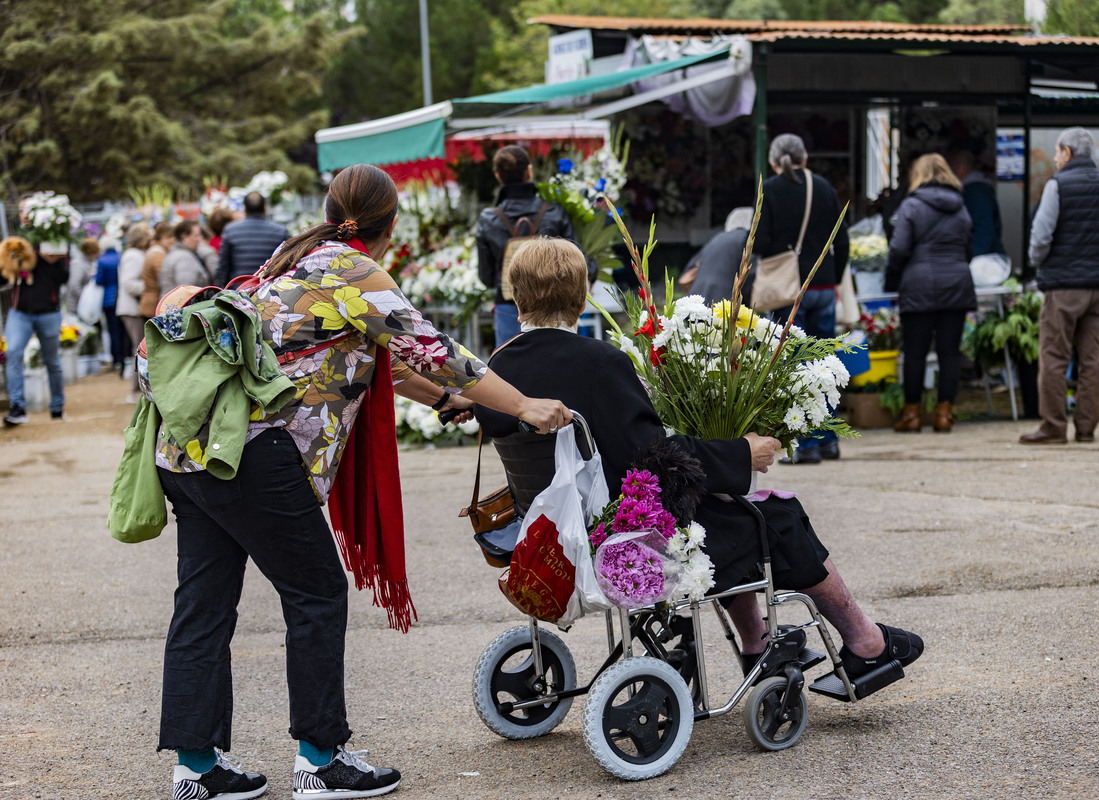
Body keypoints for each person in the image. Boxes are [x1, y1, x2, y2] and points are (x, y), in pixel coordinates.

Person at [152, 163, 570, 800]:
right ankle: (320, 759)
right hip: (253, 458)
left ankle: (195, 770)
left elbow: (381, 362)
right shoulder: (353, 270)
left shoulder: (293, 264)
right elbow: (435, 349)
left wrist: (437, 402)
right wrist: (525, 405)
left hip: (190, 451)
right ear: (392, 223)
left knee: (202, 607)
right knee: (317, 592)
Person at [474, 237, 923, 689]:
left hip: (548, 537)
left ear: (515, 293)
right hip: (624, 540)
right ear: (581, 291)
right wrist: (743, 453)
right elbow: (657, 459)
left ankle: (757, 644)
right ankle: (866, 644)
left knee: (734, 511)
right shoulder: (599, 362)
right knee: (779, 517)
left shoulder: (494, 371)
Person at [1021, 127, 1099, 445]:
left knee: (1054, 357)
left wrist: (1038, 261)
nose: (1055, 158)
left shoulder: (1057, 185)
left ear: (1067, 152)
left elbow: (1041, 236)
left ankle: (1054, 427)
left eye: (1057, 152)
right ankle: (1086, 428)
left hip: (1062, 286)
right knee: (1094, 358)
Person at [753, 133, 849, 464]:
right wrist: (833, 278)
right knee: (825, 366)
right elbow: (843, 237)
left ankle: (806, 446)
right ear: (805, 158)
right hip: (822, 286)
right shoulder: (824, 187)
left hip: (789, 290)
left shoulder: (772, 190)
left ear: (774, 161)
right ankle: (829, 440)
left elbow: (761, 241)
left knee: (793, 367)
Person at [884, 153, 977, 433]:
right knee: (950, 354)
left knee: (915, 353)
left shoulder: (911, 206)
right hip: (956, 285)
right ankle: (944, 414)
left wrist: (897, 273)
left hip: (918, 287)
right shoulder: (961, 206)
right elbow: (969, 248)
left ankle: (912, 415)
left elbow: (898, 248)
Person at [477, 145, 589, 347]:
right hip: (558, 307)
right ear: (529, 170)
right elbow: (578, 259)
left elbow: (486, 277)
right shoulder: (554, 212)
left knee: (510, 370)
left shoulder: (488, 219)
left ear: (497, 175)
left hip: (509, 307)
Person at [2, 239, 69, 425]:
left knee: (52, 360)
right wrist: (13, 265)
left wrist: (52, 260)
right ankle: (17, 407)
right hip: (20, 313)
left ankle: (57, 406)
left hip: (49, 313)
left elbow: (64, 277)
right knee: (13, 352)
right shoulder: (21, 247)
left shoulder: (54, 247)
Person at [216, 191, 289, 286]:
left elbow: (223, 267)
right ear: (265, 209)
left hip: (239, 290)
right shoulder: (281, 231)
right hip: (268, 289)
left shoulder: (230, 230)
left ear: (245, 209)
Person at [684, 207, 754, 304]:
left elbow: (690, 267)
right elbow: (750, 273)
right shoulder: (746, 240)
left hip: (697, 298)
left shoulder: (718, 237)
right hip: (723, 301)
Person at [948, 149, 1006, 259]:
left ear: (958, 166)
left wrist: (970, 256)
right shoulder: (976, 189)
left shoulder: (976, 192)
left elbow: (984, 230)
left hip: (983, 260)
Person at [117, 224, 151, 398]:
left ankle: (138, 390)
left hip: (133, 308)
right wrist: (151, 288)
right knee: (139, 350)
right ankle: (136, 391)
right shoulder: (133, 256)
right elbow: (129, 283)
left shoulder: (134, 254)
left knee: (138, 349)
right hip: (132, 309)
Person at [95, 235, 126, 375]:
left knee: (113, 331)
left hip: (108, 299)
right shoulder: (121, 257)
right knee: (123, 330)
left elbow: (99, 280)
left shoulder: (102, 261)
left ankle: (116, 359)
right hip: (122, 297)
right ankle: (125, 358)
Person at [159, 220, 213, 295]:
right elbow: (186, 291)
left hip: (172, 304)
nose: (199, 239)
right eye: (196, 235)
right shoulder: (184, 258)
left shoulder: (176, 253)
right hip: (181, 305)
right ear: (184, 237)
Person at [139, 221, 175, 323]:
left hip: (152, 302)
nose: (173, 241)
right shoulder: (158, 254)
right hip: (153, 305)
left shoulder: (157, 251)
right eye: (170, 237)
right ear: (163, 237)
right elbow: (163, 277)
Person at [66, 237, 100, 316]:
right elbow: (74, 285)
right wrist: (87, 298)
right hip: (76, 306)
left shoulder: (91, 262)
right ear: (91, 251)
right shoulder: (77, 263)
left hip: (85, 307)